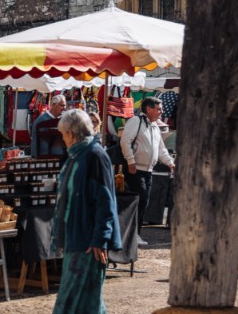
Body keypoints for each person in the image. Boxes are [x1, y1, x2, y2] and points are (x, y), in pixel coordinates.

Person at [50, 109, 121, 313]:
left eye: (63, 134)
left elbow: (105, 201)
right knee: (87, 301)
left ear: (71, 133)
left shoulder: (95, 156)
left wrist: (100, 238)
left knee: (73, 301)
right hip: (76, 237)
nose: (62, 139)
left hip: (89, 241)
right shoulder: (77, 156)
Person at [120, 97, 175, 231]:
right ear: (149, 109)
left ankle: (135, 233)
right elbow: (125, 141)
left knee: (144, 201)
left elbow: (161, 149)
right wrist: (131, 161)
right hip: (135, 169)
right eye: (158, 109)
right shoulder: (136, 121)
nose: (161, 112)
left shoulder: (155, 126)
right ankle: (132, 233)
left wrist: (170, 163)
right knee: (140, 200)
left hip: (148, 170)